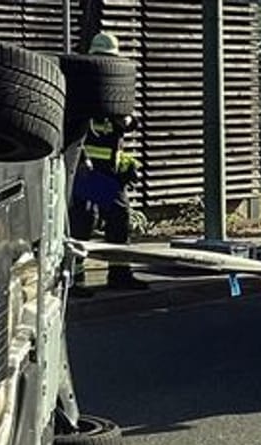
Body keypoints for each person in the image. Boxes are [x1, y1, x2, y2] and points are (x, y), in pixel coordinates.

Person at [70, 31, 147, 292]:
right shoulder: (81, 90)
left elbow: (127, 121)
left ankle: (118, 273)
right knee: (84, 220)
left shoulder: (115, 88)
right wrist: (82, 159)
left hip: (109, 170)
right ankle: (75, 278)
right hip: (88, 169)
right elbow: (74, 129)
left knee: (117, 219)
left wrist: (127, 121)